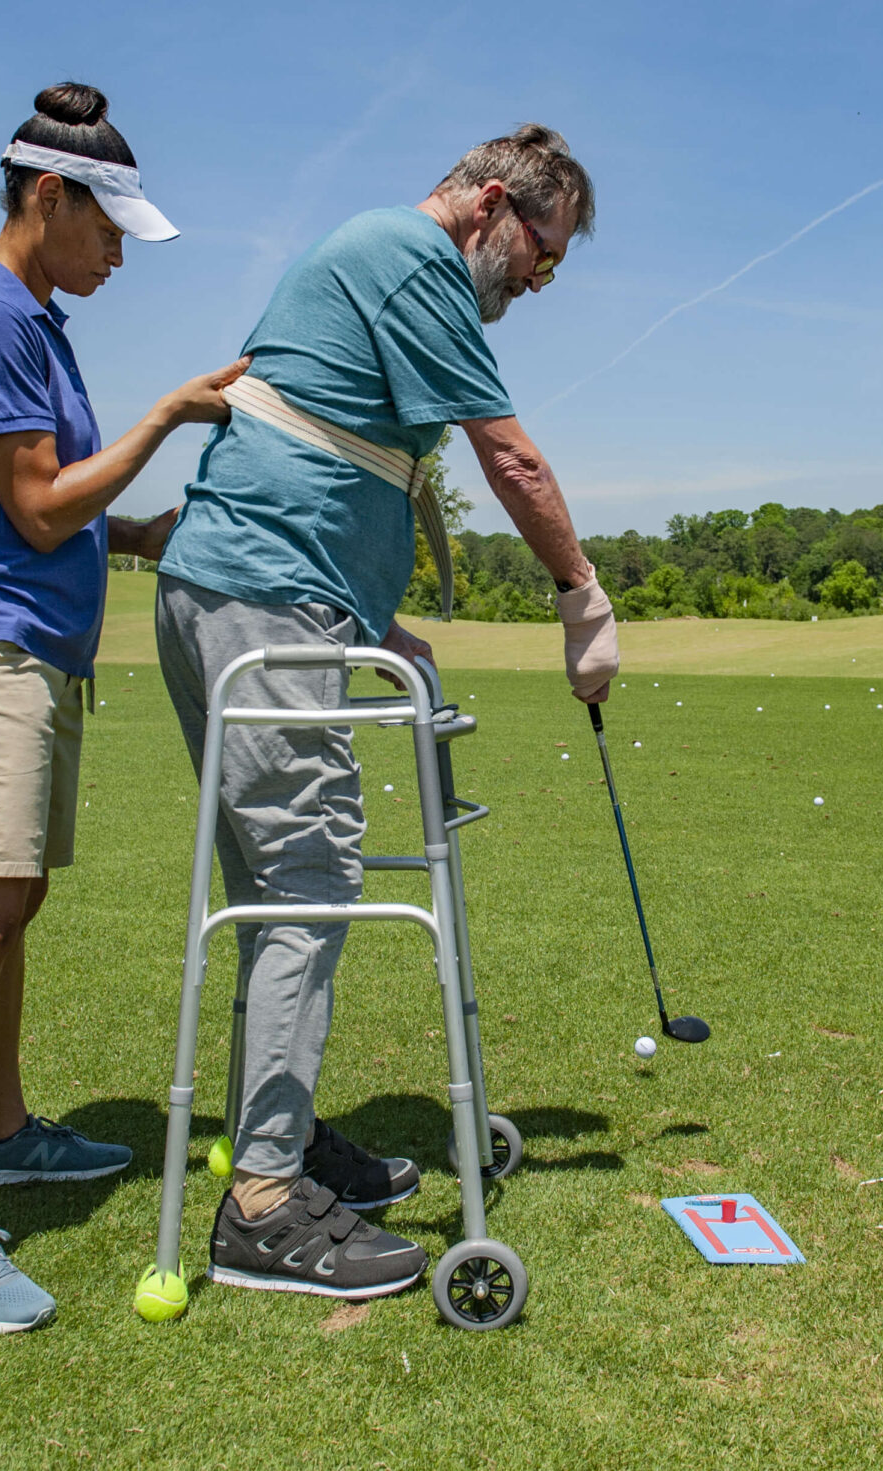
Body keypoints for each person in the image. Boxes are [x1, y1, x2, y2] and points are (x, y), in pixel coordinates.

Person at [152, 124, 617, 1301]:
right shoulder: (415, 256)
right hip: (262, 600)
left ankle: (284, 1137)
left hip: (257, 592)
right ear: (493, 207)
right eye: (541, 255)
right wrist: (581, 595)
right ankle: (260, 1201)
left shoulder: (377, 257)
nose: (536, 282)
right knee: (309, 875)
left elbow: (330, 439)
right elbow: (509, 460)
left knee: (277, 887)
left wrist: (370, 613)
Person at [0, 83, 247, 1334]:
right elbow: (37, 506)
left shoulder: (33, 320)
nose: (114, 256)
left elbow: (50, 506)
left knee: (13, 899)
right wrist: (163, 415)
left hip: (31, 645)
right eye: (108, 231)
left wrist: (142, 529)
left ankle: (5, 1132)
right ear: (49, 197)